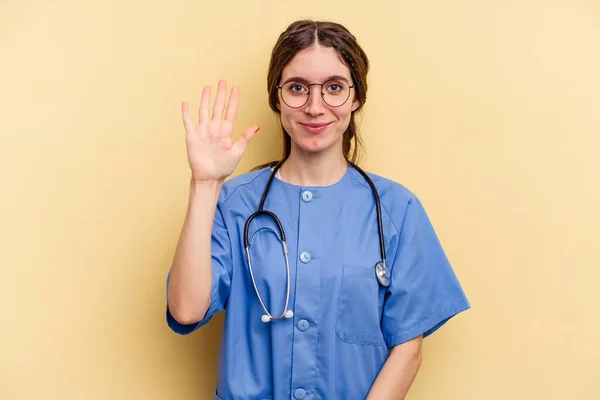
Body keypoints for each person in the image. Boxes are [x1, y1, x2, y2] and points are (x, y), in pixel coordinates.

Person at [166, 19, 470, 400]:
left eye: (334, 88)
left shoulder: (396, 209)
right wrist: (205, 185)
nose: (314, 107)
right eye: (297, 88)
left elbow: (407, 349)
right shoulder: (234, 202)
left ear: (356, 97)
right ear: (277, 98)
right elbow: (186, 310)